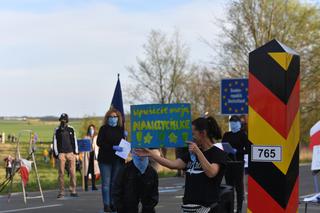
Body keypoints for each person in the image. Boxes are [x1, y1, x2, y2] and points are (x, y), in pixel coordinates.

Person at [136, 116, 227, 213]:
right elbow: (173, 164)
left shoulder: (217, 153)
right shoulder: (192, 154)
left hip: (208, 207)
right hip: (188, 206)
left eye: (193, 134)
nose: (191, 137)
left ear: (203, 133)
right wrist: (151, 154)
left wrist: (198, 152)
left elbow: (211, 172)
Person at [97, 108, 125, 212]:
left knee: (114, 183)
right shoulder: (103, 129)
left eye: (115, 117)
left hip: (117, 160)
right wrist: (112, 147)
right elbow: (99, 142)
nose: (113, 119)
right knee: (106, 183)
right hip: (105, 159)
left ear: (118, 118)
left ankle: (113, 203)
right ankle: (106, 204)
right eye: (111, 117)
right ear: (107, 118)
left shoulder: (121, 130)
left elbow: (123, 146)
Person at [222, 115, 250, 213]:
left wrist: (237, 151)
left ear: (239, 124)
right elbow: (223, 146)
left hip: (238, 163)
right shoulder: (226, 135)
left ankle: (239, 209)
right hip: (228, 164)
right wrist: (226, 150)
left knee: (239, 187)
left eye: (235, 122)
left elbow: (248, 149)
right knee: (229, 188)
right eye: (231, 122)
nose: (233, 124)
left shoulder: (242, 135)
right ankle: (230, 209)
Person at [53, 113, 79, 198]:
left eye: (64, 120)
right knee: (61, 173)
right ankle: (62, 191)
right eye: (61, 120)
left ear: (67, 120)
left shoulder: (71, 129)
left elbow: (74, 140)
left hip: (71, 153)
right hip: (61, 154)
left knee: (72, 172)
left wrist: (76, 152)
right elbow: (55, 142)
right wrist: (57, 154)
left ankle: (73, 190)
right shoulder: (57, 130)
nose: (63, 121)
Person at [83, 124, 100, 191]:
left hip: (94, 155)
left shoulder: (96, 137)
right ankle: (86, 186)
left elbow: (98, 146)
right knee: (86, 171)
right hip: (87, 155)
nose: (91, 130)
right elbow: (83, 146)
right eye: (90, 129)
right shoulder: (86, 137)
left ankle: (93, 186)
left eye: (92, 129)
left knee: (93, 171)